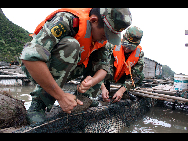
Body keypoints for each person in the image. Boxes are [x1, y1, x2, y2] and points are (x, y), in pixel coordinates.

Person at [20, 8, 132, 124]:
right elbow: (30, 58)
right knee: (71, 45)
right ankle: (39, 104)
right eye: (105, 35)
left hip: (72, 66)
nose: (106, 39)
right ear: (93, 20)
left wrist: (93, 81)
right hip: (38, 67)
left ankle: (84, 98)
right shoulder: (67, 19)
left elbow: (103, 67)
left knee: (97, 64)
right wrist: (61, 96)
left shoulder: (102, 38)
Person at [101, 26, 144, 103]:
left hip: (123, 76)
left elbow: (135, 76)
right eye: (125, 44)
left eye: (131, 47)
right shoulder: (112, 45)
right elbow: (99, 65)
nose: (127, 49)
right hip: (110, 74)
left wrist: (121, 90)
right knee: (104, 67)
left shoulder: (139, 54)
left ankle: (125, 92)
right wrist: (102, 87)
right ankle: (105, 91)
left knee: (140, 76)